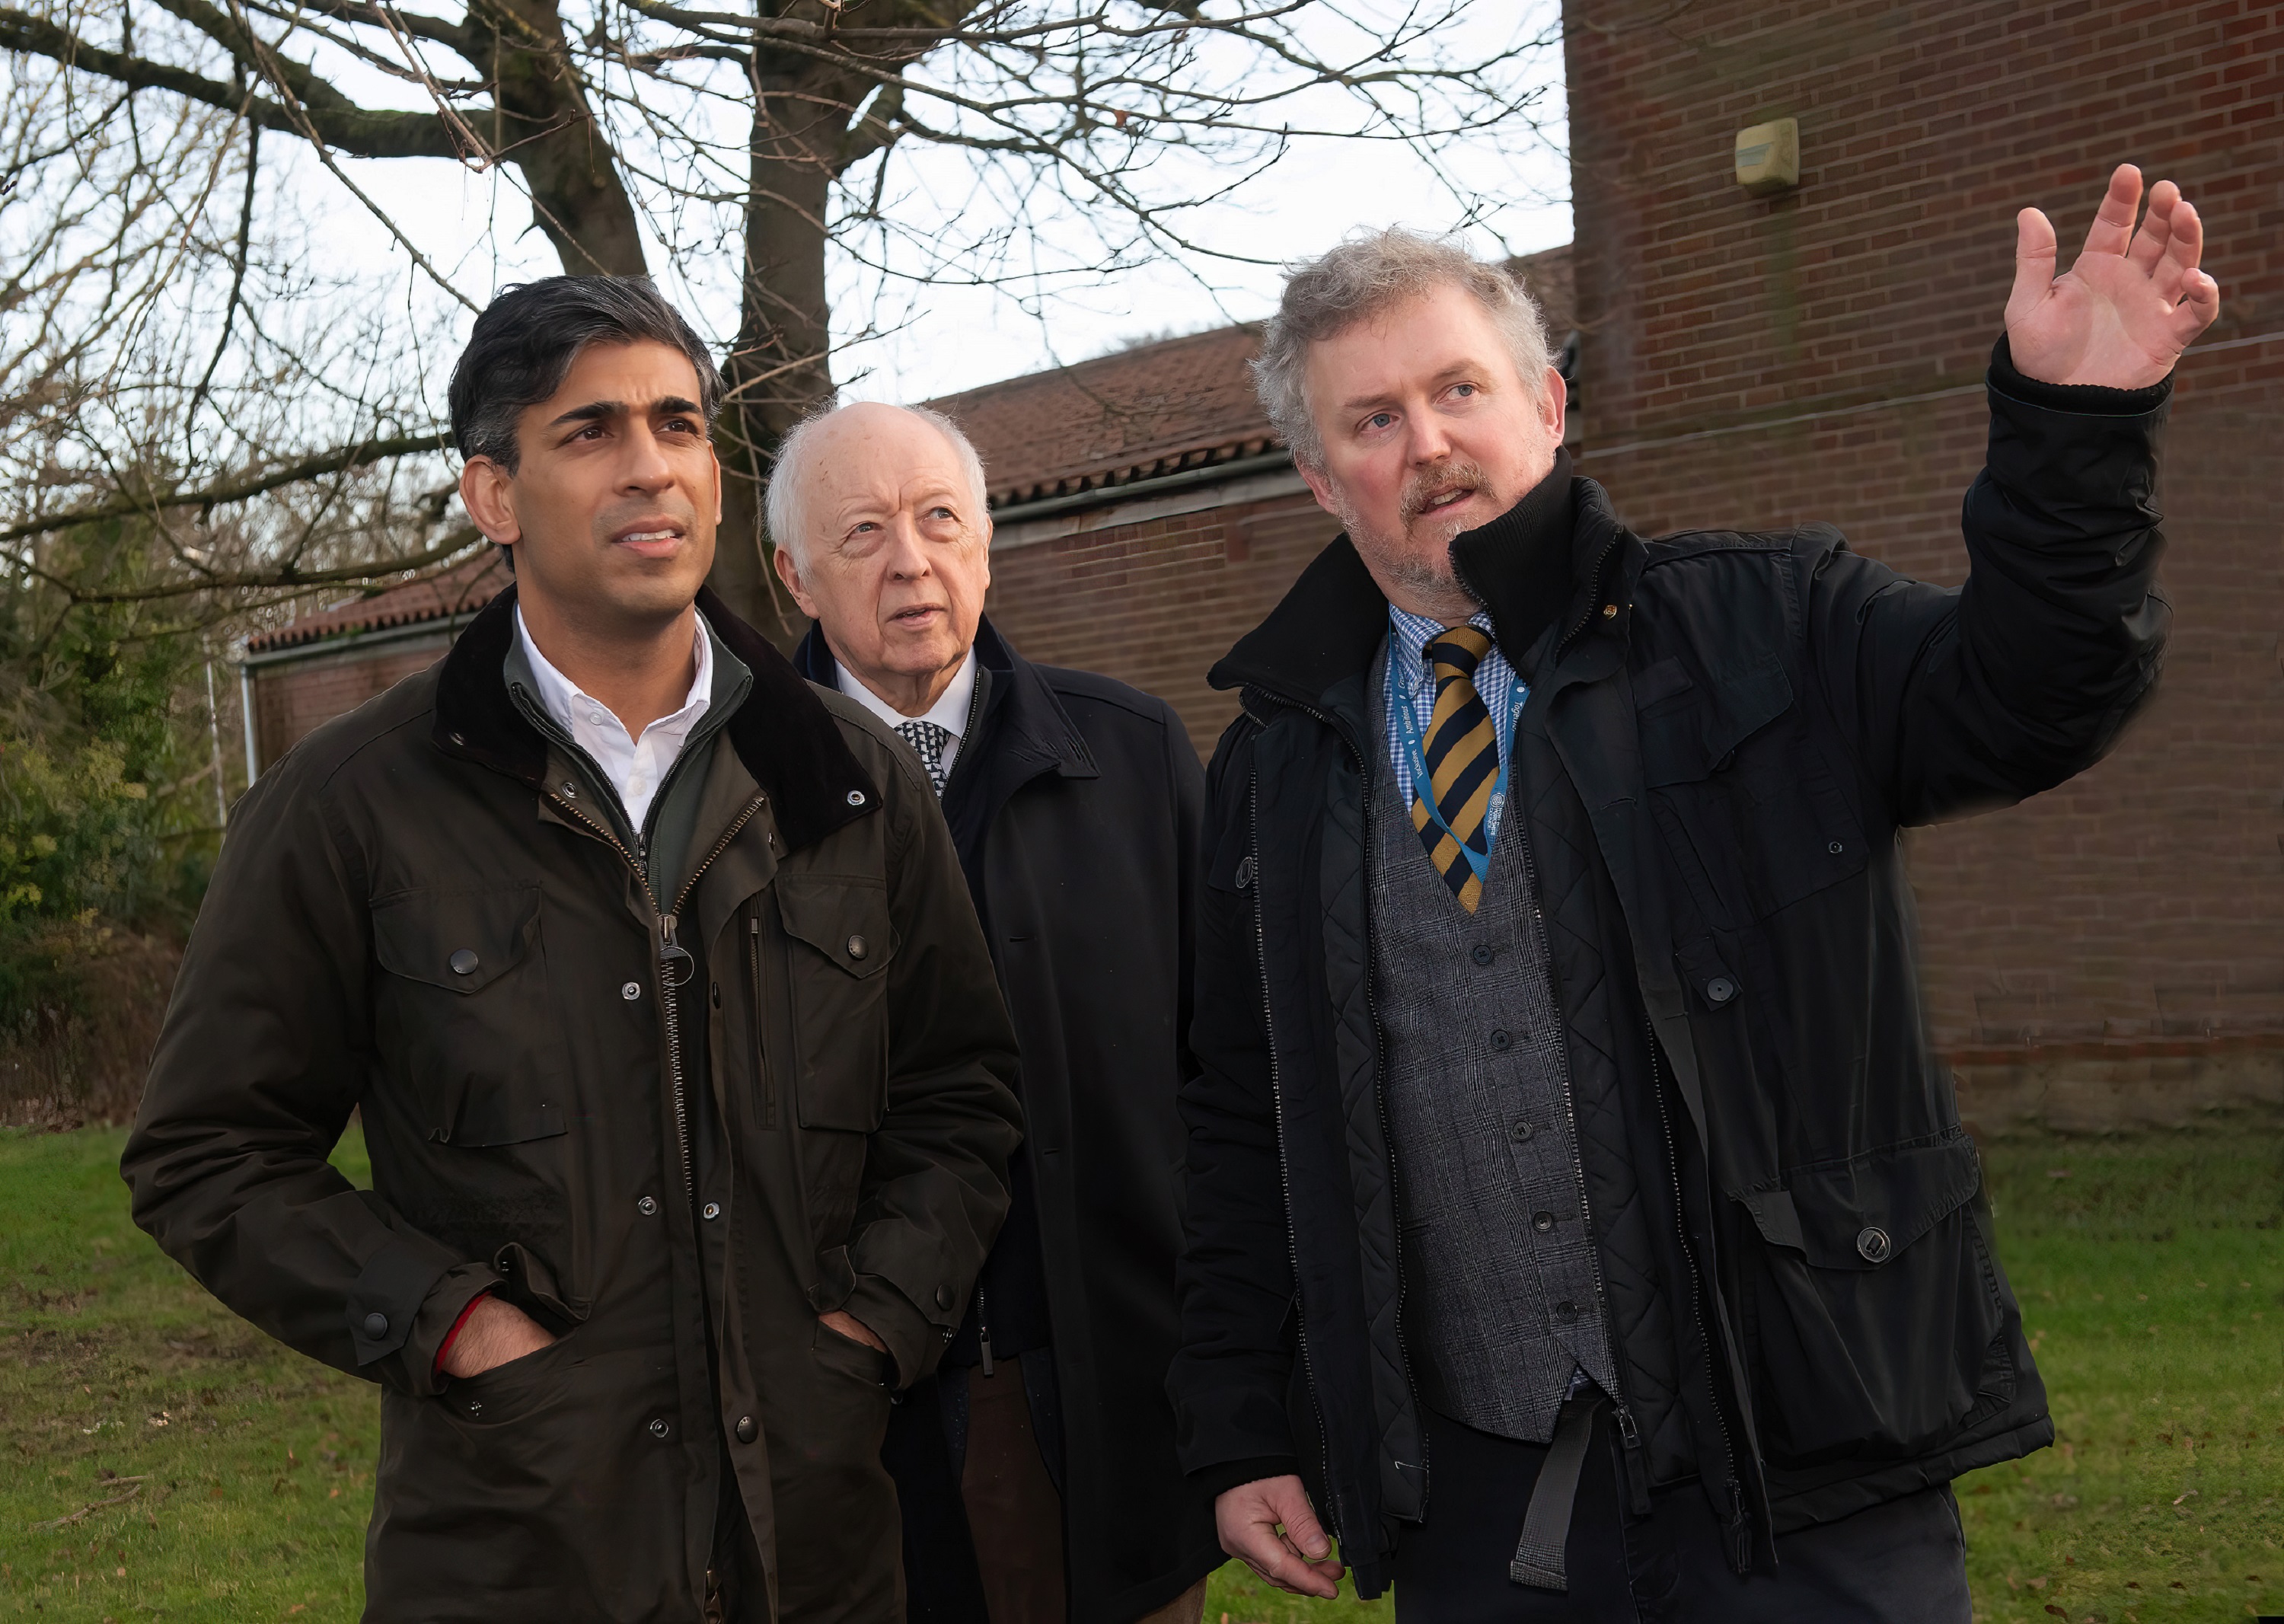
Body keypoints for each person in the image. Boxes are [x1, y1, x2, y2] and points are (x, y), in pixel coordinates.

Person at [1170, 164, 2218, 1619]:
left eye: (1460, 390)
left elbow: (2032, 693)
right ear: (1316, 472)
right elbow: (1241, 1120)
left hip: (1803, 1462)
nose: (1430, 445)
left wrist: (2074, 432)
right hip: (1488, 1498)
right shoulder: (1270, 767)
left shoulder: (1767, 622)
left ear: (1546, 403)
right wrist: (1240, 1424)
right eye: (1375, 419)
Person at [122, 277, 1024, 1623]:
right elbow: (205, 1151)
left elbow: (962, 1096)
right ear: (495, 495)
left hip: (820, 1551)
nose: (651, 466)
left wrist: (875, 1325)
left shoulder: (847, 784)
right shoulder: (354, 803)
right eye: (591, 431)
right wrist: (448, 1321)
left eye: (677, 424)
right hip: (515, 1549)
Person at [768, 401, 1223, 1624]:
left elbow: (1229, 1077)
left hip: (1117, 1395)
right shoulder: (728, 803)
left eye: (939, 520)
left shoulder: (1132, 758)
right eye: (862, 532)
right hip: (855, 1409)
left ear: (986, 545)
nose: (910, 561)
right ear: (792, 574)